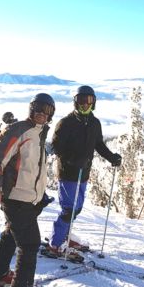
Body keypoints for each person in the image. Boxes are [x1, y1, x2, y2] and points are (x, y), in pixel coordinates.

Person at [0, 93, 56, 287]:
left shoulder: (39, 132)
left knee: (11, 235)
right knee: (30, 243)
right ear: (31, 109)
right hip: (15, 196)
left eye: (47, 110)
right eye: (38, 109)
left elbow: (33, 169)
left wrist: (40, 194)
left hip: (28, 197)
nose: (42, 114)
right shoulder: (18, 130)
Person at [46, 85, 122, 258]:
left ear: (93, 103)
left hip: (84, 173)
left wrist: (112, 157)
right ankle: (55, 243)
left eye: (89, 101)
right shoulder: (66, 123)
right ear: (75, 103)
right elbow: (57, 147)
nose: (85, 105)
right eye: (81, 101)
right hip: (68, 173)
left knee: (77, 208)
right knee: (68, 209)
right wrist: (72, 159)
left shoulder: (94, 123)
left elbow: (99, 144)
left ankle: (65, 234)